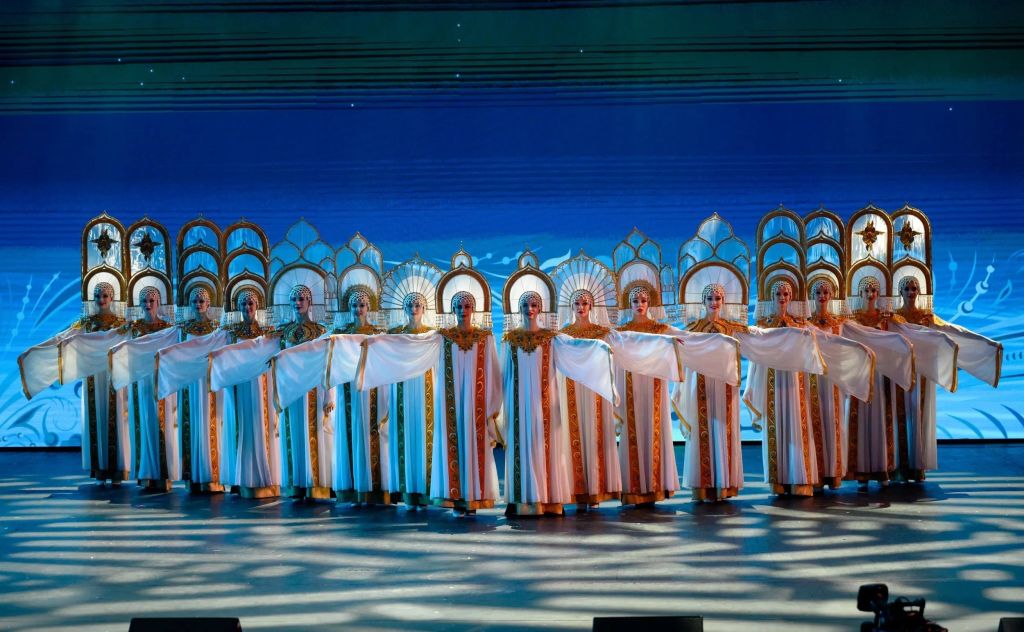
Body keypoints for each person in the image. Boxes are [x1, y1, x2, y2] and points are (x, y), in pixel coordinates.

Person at [156, 287, 230, 493]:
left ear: (208, 304)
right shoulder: (183, 329)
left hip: (209, 383)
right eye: (194, 302)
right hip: (189, 383)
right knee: (192, 424)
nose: (198, 305)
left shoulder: (218, 329)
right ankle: (194, 478)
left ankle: (213, 477)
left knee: (212, 424)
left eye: (201, 301)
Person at [209, 289, 280, 498]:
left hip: (262, 384)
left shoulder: (268, 332)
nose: (248, 308)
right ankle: (242, 479)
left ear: (257, 306)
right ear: (238, 307)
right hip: (239, 385)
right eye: (244, 304)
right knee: (241, 426)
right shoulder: (231, 333)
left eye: (251, 304)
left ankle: (266, 479)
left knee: (263, 425)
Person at [113, 287, 176, 491]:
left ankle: (164, 474)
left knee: (163, 423)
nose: (148, 305)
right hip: (141, 382)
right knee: (144, 422)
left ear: (158, 303)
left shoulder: (168, 328)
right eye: (144, 301)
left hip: (161, 381)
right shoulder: (134, 327)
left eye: (151, 301)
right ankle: (146, 474)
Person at [274, 284, 329, 499]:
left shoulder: (320, 331)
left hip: (312, 388)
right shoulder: (283, 331)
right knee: (292, 431)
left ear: (309, 302)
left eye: (302, 299)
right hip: (290, 389)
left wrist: (328, 394)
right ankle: (295, 483)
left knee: (312, 431)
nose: (297, 303)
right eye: (294, 299)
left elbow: (326, 363)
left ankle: (314, 483)